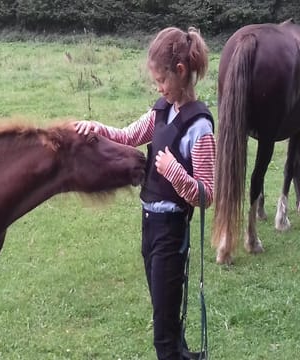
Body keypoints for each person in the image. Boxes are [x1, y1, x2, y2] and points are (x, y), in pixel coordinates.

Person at [75, 27, 215, 360]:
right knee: (165, 312)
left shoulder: (200, 127)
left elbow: (207, 194)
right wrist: (97, 128)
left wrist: (175, 173)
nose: (158, 88)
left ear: (180, 72)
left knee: (163, 337)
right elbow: (128, 135)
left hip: (171, 231)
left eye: (161, 80)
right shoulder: (161, 112)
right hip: (149, 225)